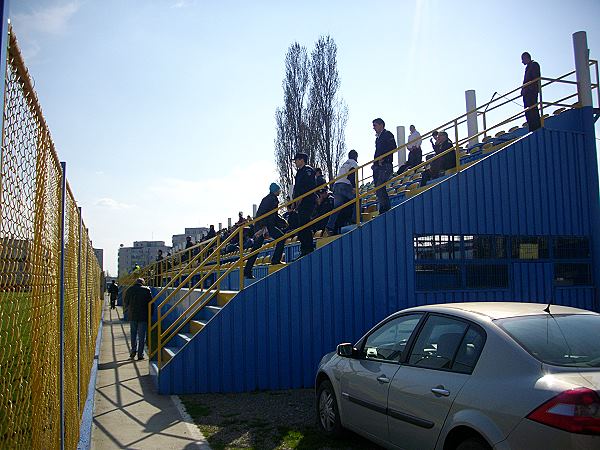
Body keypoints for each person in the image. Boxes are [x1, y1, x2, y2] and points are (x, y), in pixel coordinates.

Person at [243, 183, 287, 279]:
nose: (280, 191)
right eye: (279, 189)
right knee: (281, 238)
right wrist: (263, 228)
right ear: (275, 190)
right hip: (264, 226)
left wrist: (282, 221)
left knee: (256, 248)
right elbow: (264, 214)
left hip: (265, 225)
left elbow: (272, 215)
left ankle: (247, 270)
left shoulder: (270, 199)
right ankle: (275, 260)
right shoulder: (271, 199)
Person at [325, 149, 359, 235]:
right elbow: (352, 174)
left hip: (336, 185)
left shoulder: (344, 164)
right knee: (358, 199)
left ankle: (330, 226)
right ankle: (355, 219)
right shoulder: (353, 163)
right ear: (355, 156)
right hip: (345, 185)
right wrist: (354, 187)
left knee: (337, 207)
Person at [292, 152, 316, 257]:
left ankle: (308, 248)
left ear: (302, 160)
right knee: (301, 225)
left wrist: (300, 198)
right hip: (301, 202)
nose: (295, 162)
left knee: (305, 224)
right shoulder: (299, 172)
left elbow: (308, 187)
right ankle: (304, 248)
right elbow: (297, 189)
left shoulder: (308, 170)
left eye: (296, 160)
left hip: (307, 201)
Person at [123, 278, 152, 360]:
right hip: (143, 316)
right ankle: (140, 354)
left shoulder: (130, 289)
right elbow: (151, 303)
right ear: (142, 283)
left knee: (133, 334)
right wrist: (150, 315)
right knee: (142, 336)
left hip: (132, 316)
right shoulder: (146, 290)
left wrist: (128, 310)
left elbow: (126, 301)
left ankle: (133, 351)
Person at [372, 118, 396, 214]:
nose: (373, 128)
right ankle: (384, 207)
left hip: (385, 164)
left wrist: (384, 158)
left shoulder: (388, 135)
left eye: (375, 125)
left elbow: (393, 147)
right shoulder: (378, 138)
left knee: (380, 186)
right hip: (378, 166)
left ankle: (385, 208)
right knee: (378, 187)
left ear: (381, 125)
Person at [521, 52, 541, 131]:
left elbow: (534, 79)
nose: (522, 62)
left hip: (531, 92)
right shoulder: (528, 67)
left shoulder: (534, 65)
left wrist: (527, 89)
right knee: (528, 111)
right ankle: (532, 127)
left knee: (532, 110)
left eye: (523, 59)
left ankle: (535, 127)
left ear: (526, 58)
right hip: (527, 93)